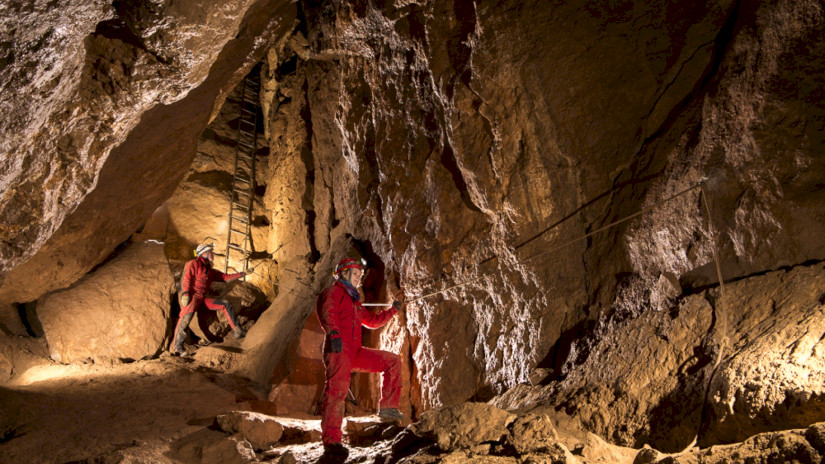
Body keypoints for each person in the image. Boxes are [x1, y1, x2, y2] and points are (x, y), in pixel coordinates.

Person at [316, 257, 404, 457]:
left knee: (392, 361)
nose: (359, 279)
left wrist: (392, 311)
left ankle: (389, 412)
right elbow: (327, 312)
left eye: (360, 275)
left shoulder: (354, 301)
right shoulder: (333, 292)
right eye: (355, 274)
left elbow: (372, 321)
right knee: (336, 393)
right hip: (338, 350)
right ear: (344, 274)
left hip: (354, 351)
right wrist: (334, 334)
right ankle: (332, 442)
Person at [172, 243, 247, 357]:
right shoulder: (193, 263)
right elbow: (186, 278)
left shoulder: (209, 270)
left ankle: (237, 331)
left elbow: (225, 278)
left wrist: (243, 273)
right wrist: (186, 294)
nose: (213, 254)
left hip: (203, 299)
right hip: (192, 297)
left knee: (225, 304)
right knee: (186, 318)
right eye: (211, 252)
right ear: (204, 253)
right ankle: (177, 348)